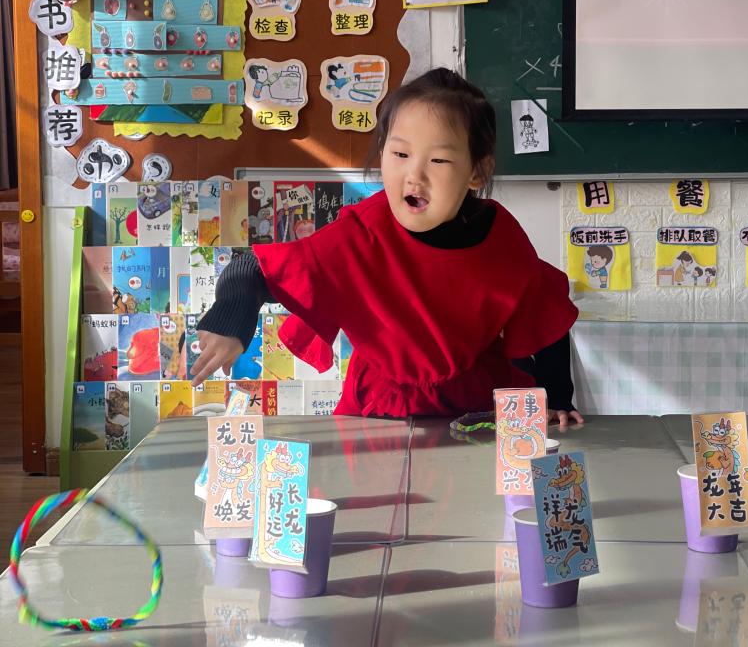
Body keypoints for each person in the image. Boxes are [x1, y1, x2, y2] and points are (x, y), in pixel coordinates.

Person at [186, 68, 583, 428]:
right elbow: (251, 268)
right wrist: (232, 319)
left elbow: (546, 312)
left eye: (439, 160)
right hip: (378, 412)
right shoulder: (360, 233)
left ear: (477, 171)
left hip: (479, 409)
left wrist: (557, 398)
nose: (414, 175)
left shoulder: (500, 235)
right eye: (400, 154)